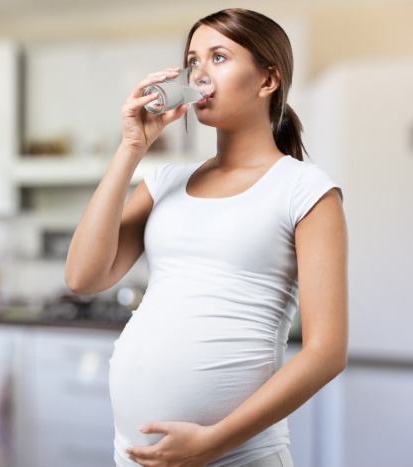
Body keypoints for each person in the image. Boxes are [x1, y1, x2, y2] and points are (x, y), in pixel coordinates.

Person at [65, 8, 348, 467]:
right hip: (133, 457)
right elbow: (82, 277)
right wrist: (132, 147)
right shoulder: (163, 181)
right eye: (193, 61)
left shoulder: (306, 189)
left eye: (219, 57)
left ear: (267, 80)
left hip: (239, 456)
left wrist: (214, 441)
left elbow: (326, 353)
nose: (199, 73)